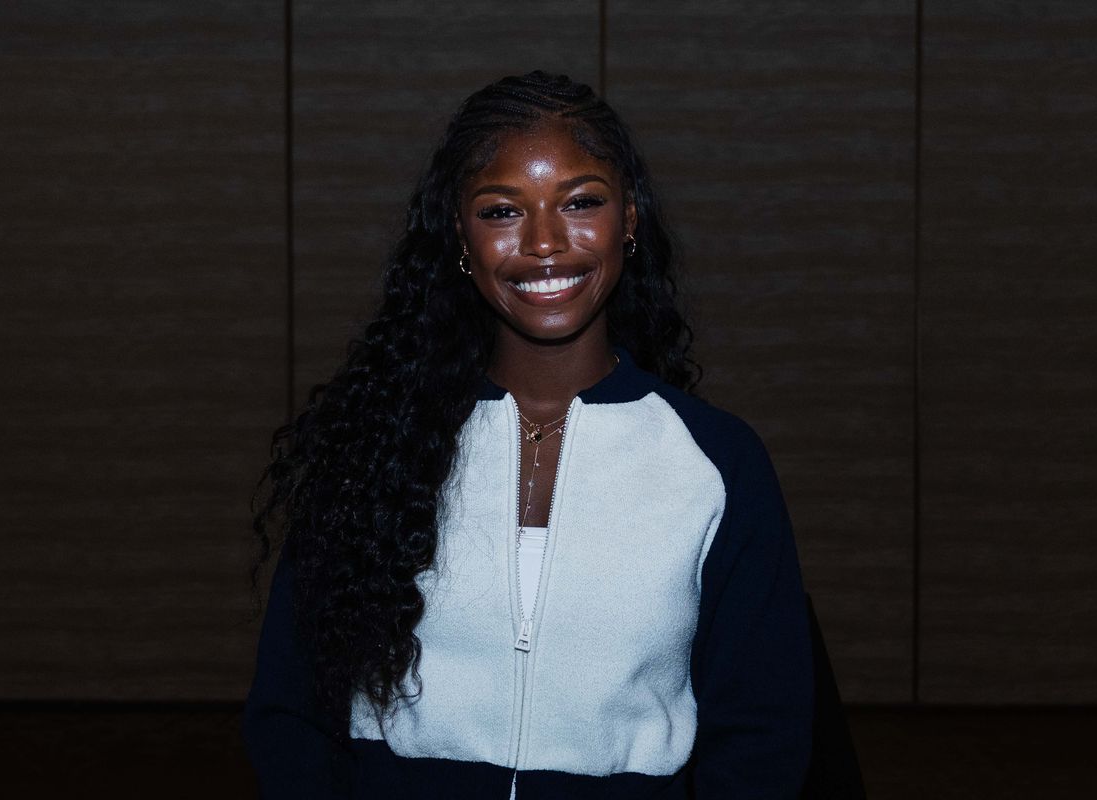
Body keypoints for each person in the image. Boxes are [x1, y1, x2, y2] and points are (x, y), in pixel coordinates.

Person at [243, 70, 813, 799]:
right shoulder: (373, 447)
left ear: (629, 220)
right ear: (459, 234)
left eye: (580, 202)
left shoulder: (716, 463)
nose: (545, 242)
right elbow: (290, 712)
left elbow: (762, 734)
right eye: (502, 210)